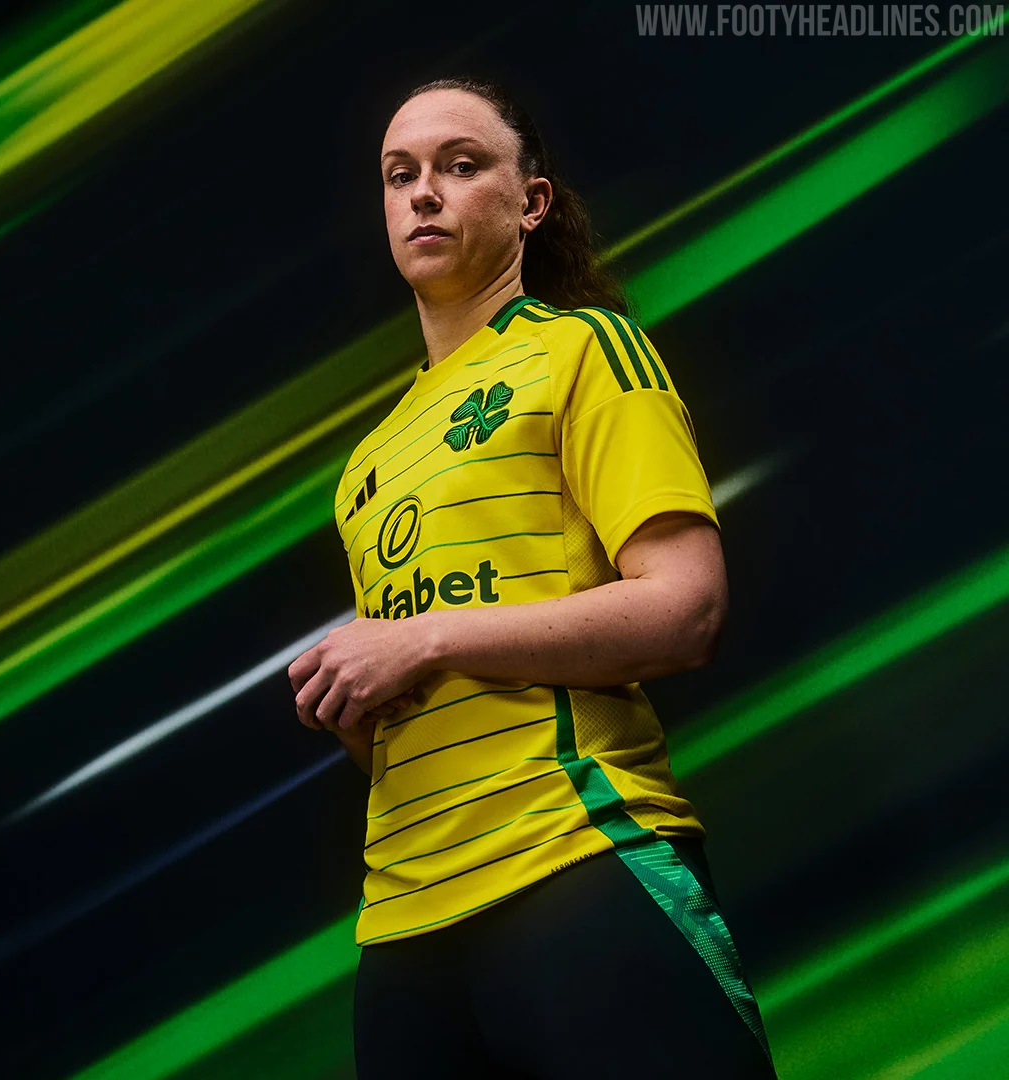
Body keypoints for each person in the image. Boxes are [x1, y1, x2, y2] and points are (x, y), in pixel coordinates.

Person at [288, 76, 777, 1079]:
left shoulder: (584, 349)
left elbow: (688, 609)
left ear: (531, 202)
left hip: (573, 861)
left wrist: (425, 637)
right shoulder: (366, 465)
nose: (424, 192)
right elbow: (431, 693)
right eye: (399, 175)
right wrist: (356, 710)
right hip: (404, 936)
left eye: (461, 165)